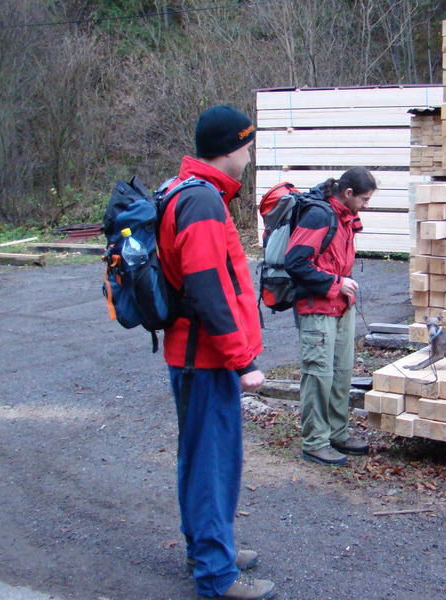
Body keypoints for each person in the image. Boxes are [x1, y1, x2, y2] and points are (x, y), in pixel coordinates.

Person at [158, 105, 275, 600]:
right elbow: (209, 288)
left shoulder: (191, 192)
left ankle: (209, 547)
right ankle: (216, 576)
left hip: (193, 355)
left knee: (200, 457)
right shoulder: (203, 202)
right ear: (230, 148)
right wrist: (242, 360)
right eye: (247, 147)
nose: (250, 157)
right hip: (204, 358)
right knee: (212, 462)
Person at [285, 167, 377, 466]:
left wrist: (342, 287)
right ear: (348, 193)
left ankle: (337, 434)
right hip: (317, 309)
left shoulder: (346, 217)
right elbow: (295, 262)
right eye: (364, 199)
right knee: (318, 377)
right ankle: (314, 442)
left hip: (341, 306)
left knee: (341, 375)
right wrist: (336, 284)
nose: (367, 205)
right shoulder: (319, 215)